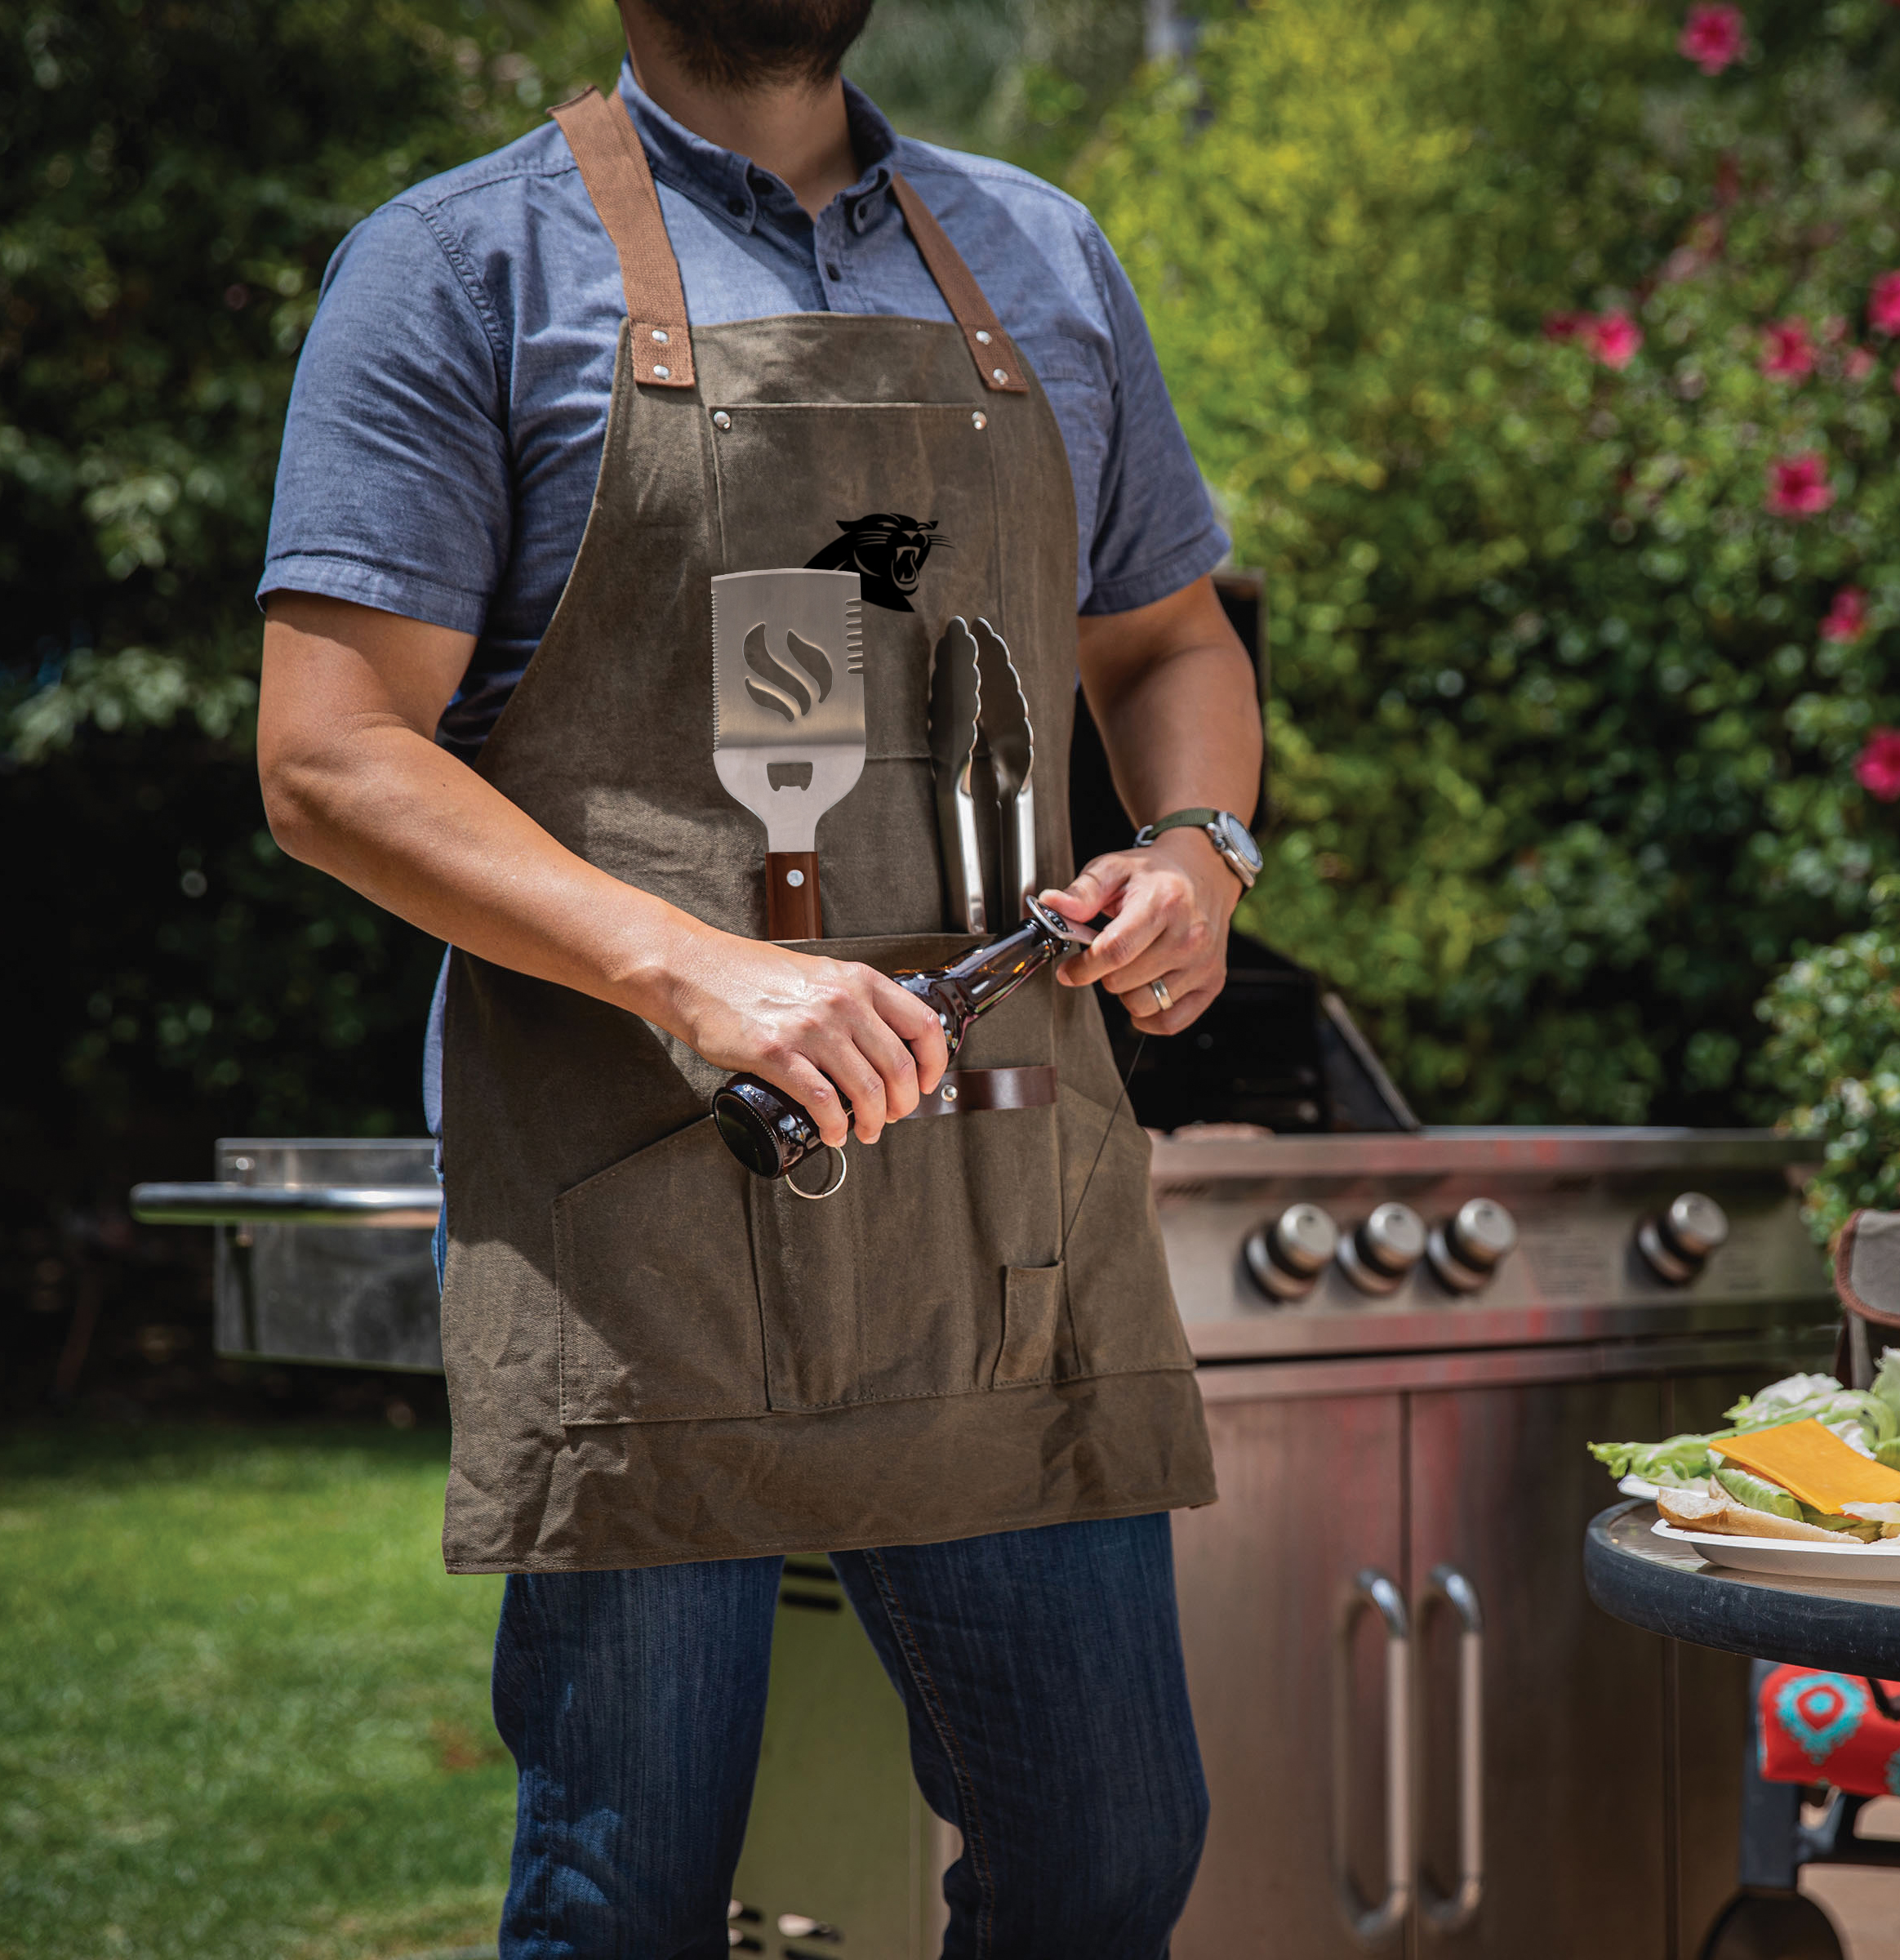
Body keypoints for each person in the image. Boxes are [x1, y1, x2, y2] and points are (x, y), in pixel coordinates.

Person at [254, 0, 1263, 1949]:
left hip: (999, 1207)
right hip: (644, 1206)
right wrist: (697, 971)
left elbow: (1169, 647)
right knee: (626, 1892)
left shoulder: (1044, 253)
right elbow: (330, 756)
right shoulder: (461, 264)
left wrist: (1199, 850)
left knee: (1108, 1856)